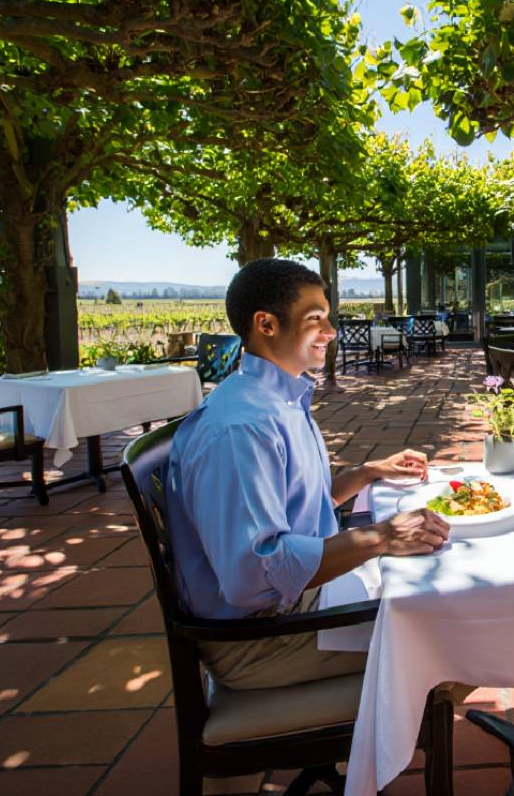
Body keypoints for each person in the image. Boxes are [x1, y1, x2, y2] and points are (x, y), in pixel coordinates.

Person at [167, 258, 449, 689]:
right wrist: (382, 537)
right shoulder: (242, 426)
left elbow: (292, 508)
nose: (332, 331)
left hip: (295, 604)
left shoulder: (274, 399)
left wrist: (366, 473)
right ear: (266, 324)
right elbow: (254, 577)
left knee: (440, 584)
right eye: (315, 319)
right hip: (260, 639)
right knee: (459, 626)